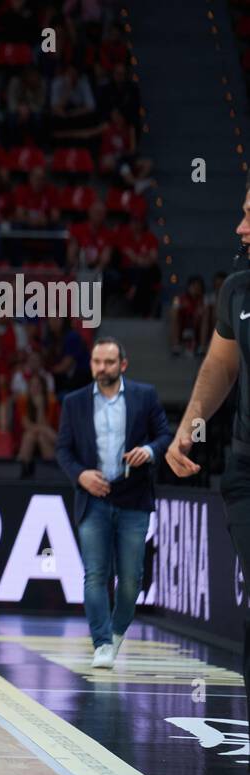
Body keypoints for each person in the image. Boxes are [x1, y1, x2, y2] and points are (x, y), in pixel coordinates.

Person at [167, 181, 250, 718]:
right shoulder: (237, 289)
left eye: (249, 217)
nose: (240, 229)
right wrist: (190, 425)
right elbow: (222, 364)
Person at [56, 338, 171, 669]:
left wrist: (149, 452)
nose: (100, 368)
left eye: (108, 362)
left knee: (132, 577)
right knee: (95, 574)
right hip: (93, 497)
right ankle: (102, 642)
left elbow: (164, 436)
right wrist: (80, 475)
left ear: (123, 364)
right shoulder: (74, 402)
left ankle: (117, 630)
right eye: (96, 361)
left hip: (133, 496)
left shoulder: (144, 395)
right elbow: (63, 450)